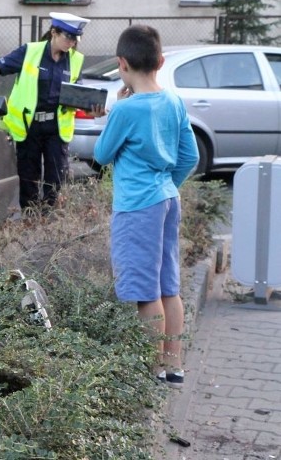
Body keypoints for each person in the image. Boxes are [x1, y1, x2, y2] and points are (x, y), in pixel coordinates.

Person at [93, 24, 199, 385]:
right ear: (161, 61)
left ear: (121, 64)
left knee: (145, 292)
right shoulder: (173, 101)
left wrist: (116, 110)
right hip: (168, 200)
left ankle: (151, 370)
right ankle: (174, 365)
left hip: (138, 206)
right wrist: (168, 184)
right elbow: (190, 155)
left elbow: (102, 153)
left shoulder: (127, 110)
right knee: (169, 285)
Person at [0, 12, 101, 210]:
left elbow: (77, 94)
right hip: (29, 126)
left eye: (75, 39)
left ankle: (50, 220)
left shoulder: (75, 60)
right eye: (68, 37)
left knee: (56, 178)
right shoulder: (31, 51)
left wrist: (91, 109)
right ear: (54, 32)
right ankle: (30, 217)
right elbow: (0, 65)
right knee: (28, 177)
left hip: (56, 128)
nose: (72, 43)